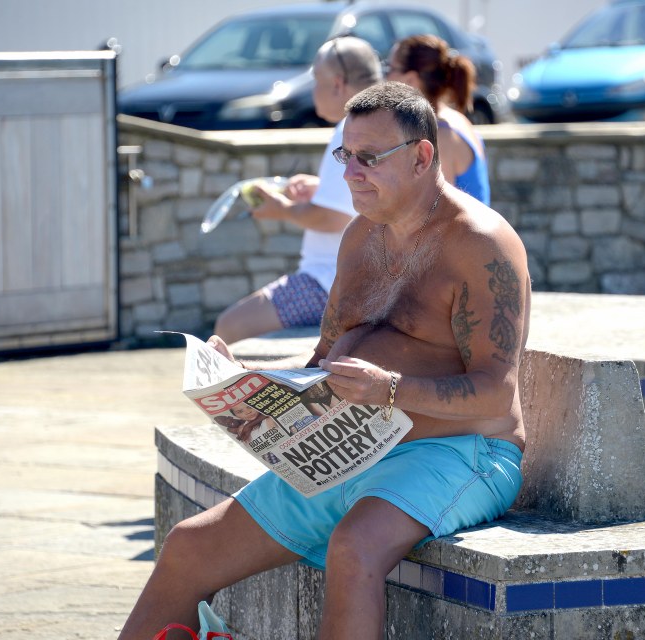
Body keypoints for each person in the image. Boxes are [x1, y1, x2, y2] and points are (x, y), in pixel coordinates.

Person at [118, 81, 531, 640]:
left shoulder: (481, 245)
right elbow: (325, 356)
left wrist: (389, 390)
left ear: (422, 156)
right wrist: (246, 381)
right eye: (344, 155)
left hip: (464, 450)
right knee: (189, 546)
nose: (349, 173)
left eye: (368, 158)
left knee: (354, 548)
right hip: (348, 447)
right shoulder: (360, 238)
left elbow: (496, 394)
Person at [212, 37, 382, 345]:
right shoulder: (383, 122)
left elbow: (334, 218)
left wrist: (281, 210)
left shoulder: (349, 129)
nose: (312, 90)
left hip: (328, 283)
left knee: (228, 329)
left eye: (316, 80)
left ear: (337, 83)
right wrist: (322, 188)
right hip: (359, 281)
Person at [383, 34, 490, 204]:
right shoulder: (456, 119)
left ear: (411, 79)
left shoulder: (440, 137)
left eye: (389, 68)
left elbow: (435, 216)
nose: (385, 77)